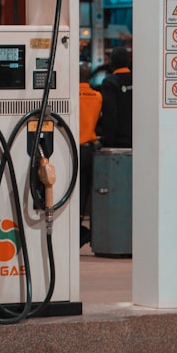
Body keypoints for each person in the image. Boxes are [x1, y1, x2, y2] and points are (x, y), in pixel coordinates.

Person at [79, 62, 102, 248]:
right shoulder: (97, 96)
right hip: (88, 150)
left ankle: (75, 230)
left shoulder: (69, 96)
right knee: (86, 191)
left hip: (69, 151)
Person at [100, 46, 132, 148]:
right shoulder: (138, 79)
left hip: (118, 141)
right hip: (137, 137)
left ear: (111, 63)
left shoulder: (110, 83)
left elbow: (110, 113)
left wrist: (108, 141)